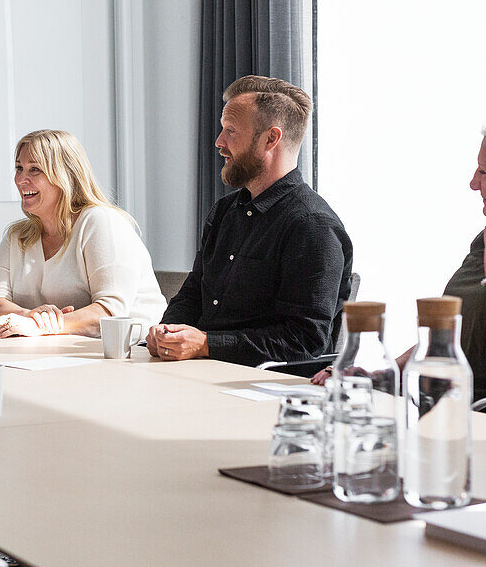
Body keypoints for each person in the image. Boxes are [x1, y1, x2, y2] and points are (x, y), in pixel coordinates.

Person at [315, 113, 486, 434]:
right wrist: (379, 376)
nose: (474, 183)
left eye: (485, 171)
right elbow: (451, 338)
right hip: (447, 419)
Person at [149, 75, 353, 364]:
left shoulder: (313, 227)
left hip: (258, 389)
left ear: (272, 138)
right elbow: (193, 293)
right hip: (198, 374)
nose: (219, 142)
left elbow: (304, 341)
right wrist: (166, 331)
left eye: (231, 131)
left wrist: (207, 344)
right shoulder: (223, 212)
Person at [0, 129, 166, 337]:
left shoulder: (100, 221)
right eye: (19, 168)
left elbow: (110, 313)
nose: (21, 180)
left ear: (65, 175)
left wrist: (39, 326)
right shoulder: (17, 236)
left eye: (34, 169)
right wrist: (29, 315)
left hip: (129, 355)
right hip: (54, 353)